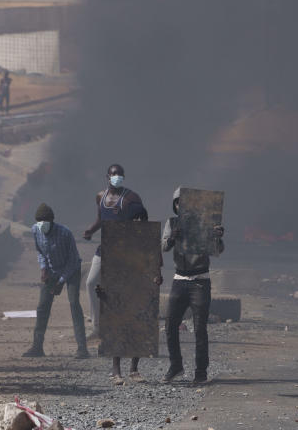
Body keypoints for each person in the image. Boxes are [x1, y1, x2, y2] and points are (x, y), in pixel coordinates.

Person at [81, 164, 152, 383]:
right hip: (105, 248)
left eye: (120, 175)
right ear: (107, 177)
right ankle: (97, 326)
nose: (117, 178)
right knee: (91, 282)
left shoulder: (131, 198)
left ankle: (128, 366)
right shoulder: (100, 197)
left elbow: (142, 221)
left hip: (124, 253)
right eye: (113, 175)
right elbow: (101, 219)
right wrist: (91, 230)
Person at [162, 187, 225, 384]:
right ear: (175, 205)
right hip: (180, 279)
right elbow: (163, 246)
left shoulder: (205, 224)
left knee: (199, 328)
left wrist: (217, 236)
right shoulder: (172, 223)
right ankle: (176, 365)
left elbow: (219, 250)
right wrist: (173, 236)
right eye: (179, 203)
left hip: (200, 280)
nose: (182, 206)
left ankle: (200, 372)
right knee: (170, 324)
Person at [23, 203, 88, 359]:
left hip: (70, 270)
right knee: (42, 306)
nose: (42, 224)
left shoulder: (65, 233)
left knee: (74, 303)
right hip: (51, 270)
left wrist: (61, 282)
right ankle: (37, 347)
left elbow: (73, 260)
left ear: (52, 221)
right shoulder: (35, 230)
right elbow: (40, 252)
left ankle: (82, 349)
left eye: (45, 220)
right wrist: (43, 268)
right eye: (39, 221)